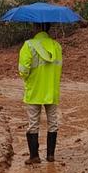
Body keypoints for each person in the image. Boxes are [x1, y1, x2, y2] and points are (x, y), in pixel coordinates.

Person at [18, 22, 62, 164]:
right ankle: (50, 155)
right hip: (51, 90)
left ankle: (34, 156)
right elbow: (59, 69)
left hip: (35, 90)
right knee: (53, 123)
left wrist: (27, 78)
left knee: (33, 123)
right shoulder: (56, 46)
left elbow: (23, 70)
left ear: (36, 27)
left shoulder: (28, 45)